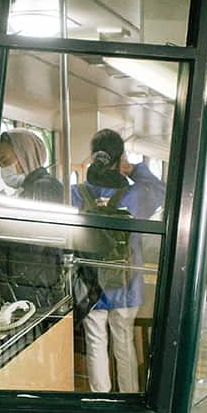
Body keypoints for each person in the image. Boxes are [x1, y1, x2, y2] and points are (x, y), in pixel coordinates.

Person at [73, 129, 166, 393]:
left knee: (95, 342)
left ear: (93, 157)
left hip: (89, 282)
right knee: (123, 341)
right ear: (120, 157)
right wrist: (134, 168)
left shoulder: (77, 193)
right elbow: (162, 190)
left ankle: (100, 401)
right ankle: (128, 397)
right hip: (126, 282)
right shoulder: (136, 196)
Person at [0, 129, 66, 308]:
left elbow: (31, 243)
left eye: (5, 160)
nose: (3, 169)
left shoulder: (43, 188)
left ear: (25, 155)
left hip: (32, 284)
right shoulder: (29, 189)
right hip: (26, 280)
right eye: (0, 163)